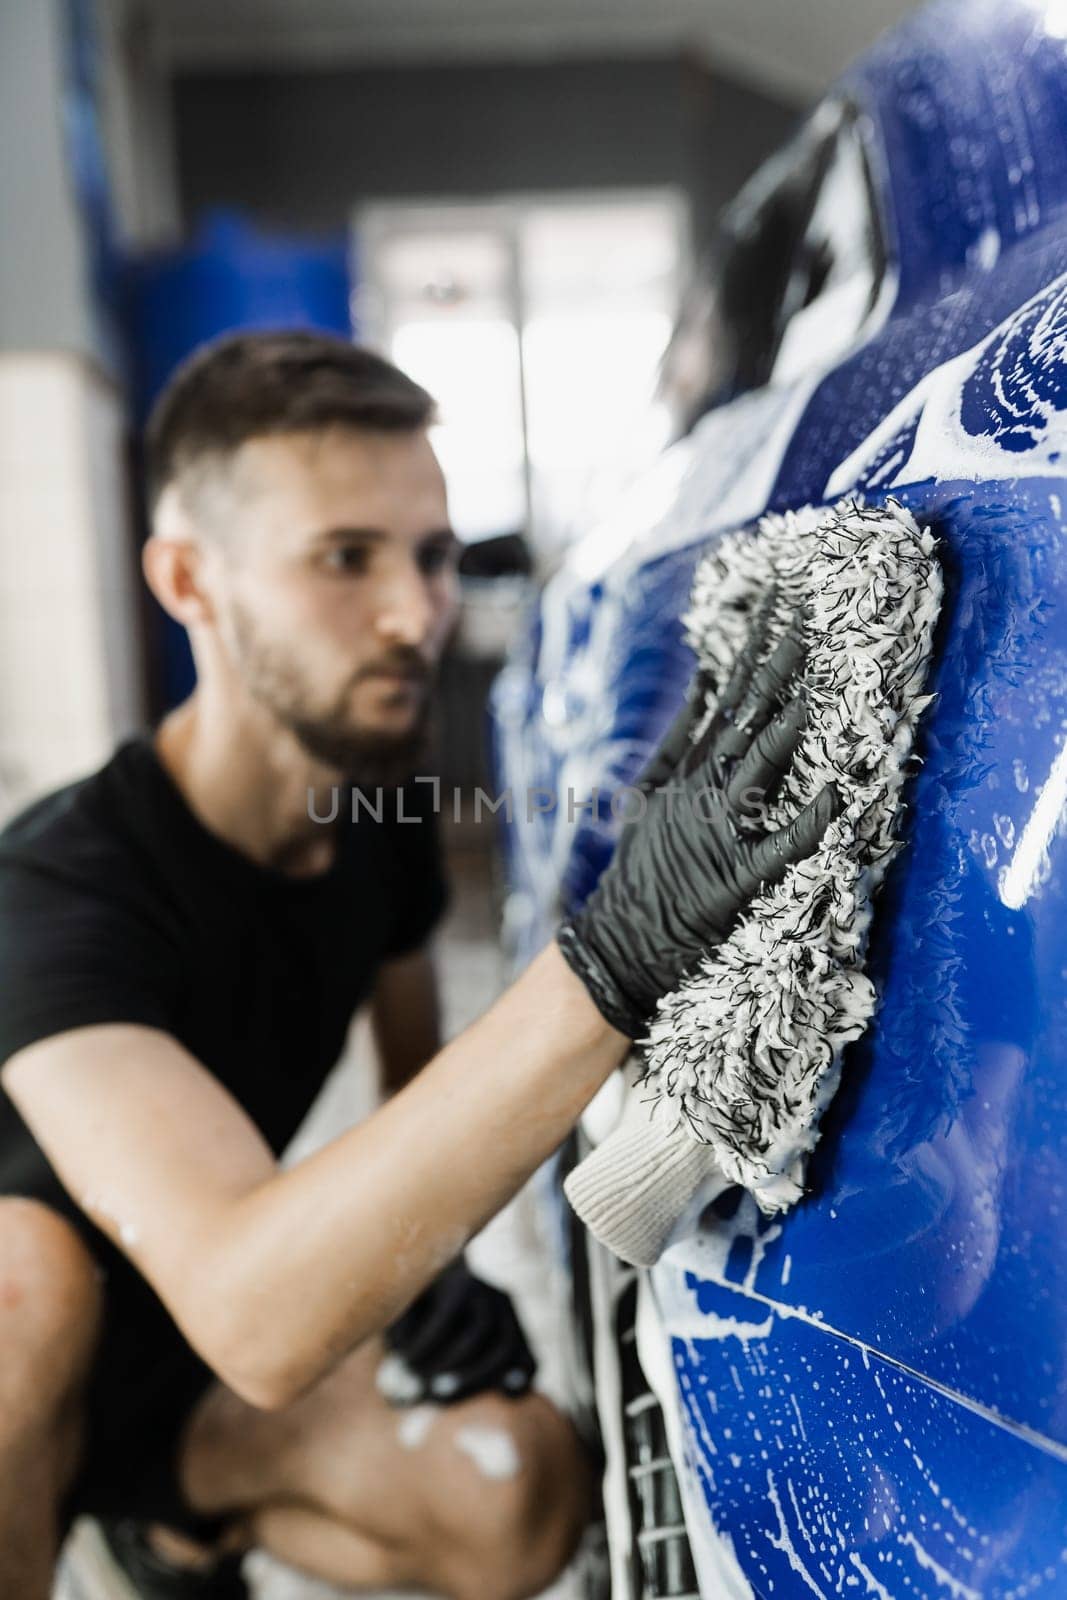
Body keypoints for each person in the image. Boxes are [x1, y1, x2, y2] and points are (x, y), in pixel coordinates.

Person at [0, 331, 835, 1600]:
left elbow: (408, 1094)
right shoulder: (57, 888)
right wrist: (615, 957)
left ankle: (170, 1529)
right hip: (48, 1349)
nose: (414, 614)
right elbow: (255, 1316)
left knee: (517, 1488)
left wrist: (422, 1263)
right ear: (189, 580)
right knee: (27, 1284)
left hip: (177, 1370)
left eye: (433, 556)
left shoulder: (370, 827)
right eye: (345, 558)